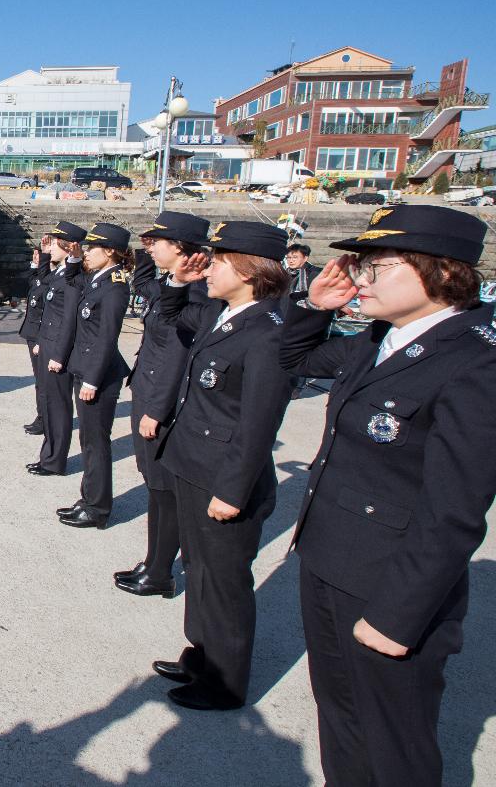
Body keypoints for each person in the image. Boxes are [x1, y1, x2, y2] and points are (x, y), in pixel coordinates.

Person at [279, 205, 496, 786]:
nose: (359, 278)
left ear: (442, 272)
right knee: (342, 715)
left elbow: (453, 511)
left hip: (387, 581)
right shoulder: (379, 338)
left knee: (394, 739)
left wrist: (399, 618)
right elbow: (290, 361)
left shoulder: (476, 361)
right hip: (329, 558)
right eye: (360, 263)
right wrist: (312, 307)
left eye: (378, 265)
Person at [150, 221, 292, 711]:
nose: (207, 267)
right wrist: (179, 283)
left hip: (224, 477)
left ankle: (225, 682)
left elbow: (257, 424)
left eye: (219, 262)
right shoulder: (223, 312)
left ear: (251, 272)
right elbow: (171, 321)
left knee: (225, 579)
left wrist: (233, 490)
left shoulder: (271, 332)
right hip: (193, 462)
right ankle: (202, 654)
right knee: (199, 567)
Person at [114, 212, 209, 598]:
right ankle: (155, 560)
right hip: (148, 391)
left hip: (160, 401)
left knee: (163, 489)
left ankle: (159, 571)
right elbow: (147, 289)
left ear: (182, 249)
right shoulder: (171, 286)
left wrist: (156, 408)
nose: (151, 247)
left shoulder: (196, 292)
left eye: (160, 242)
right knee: (154, 486)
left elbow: (177, 354)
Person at [59, 222, 133, 529]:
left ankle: (98, 507)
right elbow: (72, 281)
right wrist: (75, 259)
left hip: (99, 376)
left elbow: (106, 338)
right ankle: (89, 497)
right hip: (86, 368)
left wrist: (91, 379)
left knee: (96, 442)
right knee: (87, 439)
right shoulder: (97, 279)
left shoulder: (115, 286)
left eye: (93, 249)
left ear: (111, 252)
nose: (87, 252)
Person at [26, 221, 87, 476]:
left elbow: (68, 320)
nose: (50, 246)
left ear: (67, 246)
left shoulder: (71, 279)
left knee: (59, 408)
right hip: (48, 345)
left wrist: (59, 355)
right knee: (50, 406)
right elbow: (42, 284)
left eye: (54, 243)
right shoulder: (60, 274)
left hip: (57, 352)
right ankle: (48, 456)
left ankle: (54, 460)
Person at [18, 234, 56, 436]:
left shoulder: (53, 278)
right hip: (33, 332)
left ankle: (45, 419)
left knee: (44, 381)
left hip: (41, 334)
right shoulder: (42, 277)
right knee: (39, 381)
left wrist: (45, 259)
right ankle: (42, 416)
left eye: (41, 256)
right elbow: (33, 281)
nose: (37, 258)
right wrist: (37, 262)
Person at [283, 242, 323, 399]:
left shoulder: (314, 274)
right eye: (289, 257)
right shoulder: (284, 273)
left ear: (305, 257)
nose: (291, 260)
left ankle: (297, 387)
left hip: (304, 318)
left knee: (301, 353)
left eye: (295, 257)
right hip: (285, 316)